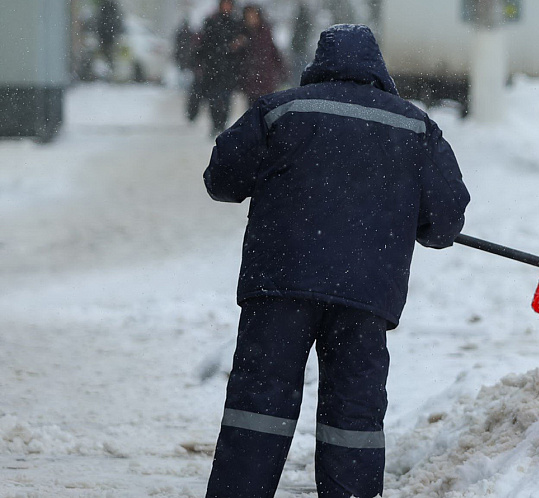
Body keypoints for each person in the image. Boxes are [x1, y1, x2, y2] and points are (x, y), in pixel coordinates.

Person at [202, 24, 470, 498]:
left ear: (320, 63)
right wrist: (421, 221)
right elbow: (447, 218)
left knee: (258, 409)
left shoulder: (280, 110)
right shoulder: (414, 126)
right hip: (365, 297)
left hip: (280, 285)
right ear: (377, 68)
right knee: (353, 418)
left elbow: (221, 178)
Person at [194, 0, 244, 135]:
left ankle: (222, 124)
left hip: (229, 69)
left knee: (226, 99)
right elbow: (205, 46)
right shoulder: (212, 22)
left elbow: (242, 46)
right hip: (213, 69)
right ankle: (215, 124)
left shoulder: (236, 23)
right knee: (214, 99)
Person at [238, 5, 285, 105]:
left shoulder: (265, 32)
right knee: (253, 109)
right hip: (250, 79)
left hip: (266, 78)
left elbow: (273, 51)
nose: (251, 18)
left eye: (253, 15)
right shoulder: (242, 32)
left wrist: (282, 70)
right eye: (249, 16)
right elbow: (239, 57)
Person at [95, 0, 124, 72]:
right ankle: (110, 69)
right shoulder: (113, 9)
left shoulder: (104, 8)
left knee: (106, 55)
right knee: (109, 55)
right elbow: (118, 23)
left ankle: (108, 69)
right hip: (109, 37)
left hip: (105, 37)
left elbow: (99, 22)